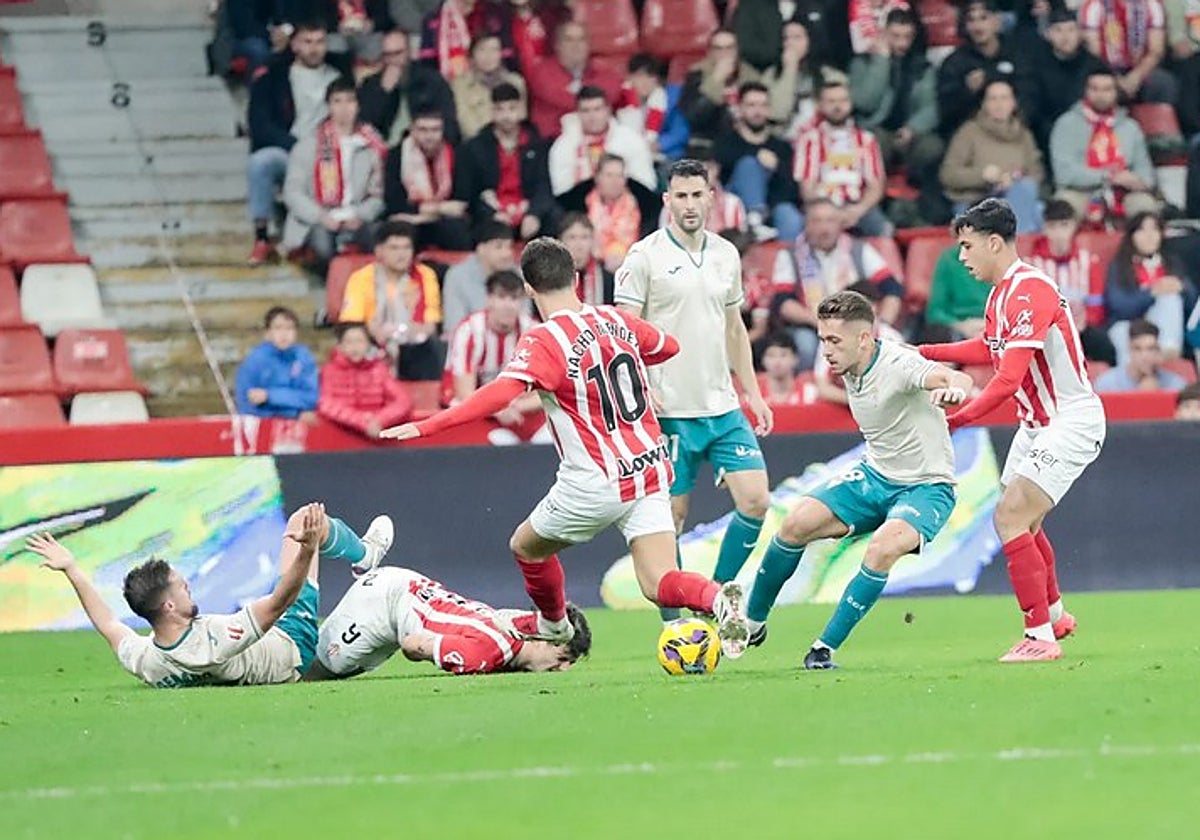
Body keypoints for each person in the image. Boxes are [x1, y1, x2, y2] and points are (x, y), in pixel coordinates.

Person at [382, 237, 751, 657]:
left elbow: (501, 393)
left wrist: (430, 424)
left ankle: (555, 625)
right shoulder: (616, 319)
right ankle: (717, 599)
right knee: (658, 581)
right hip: (648, 468)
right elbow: (668, 346)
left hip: (595, 481)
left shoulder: (545, 340)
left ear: (528, 288)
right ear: (576, 280)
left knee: (526, 546)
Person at [919, 198, 1107, 662]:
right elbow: (990, 347)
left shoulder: (1029, 291)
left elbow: (1006, 379)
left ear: (994, 242)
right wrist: (923, 352)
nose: (961, 257)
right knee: (1025, 520)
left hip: (1070, 419)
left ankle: (1039, 636)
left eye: (967, 247)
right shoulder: (1001, 294)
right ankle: (1056, 615)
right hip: (1037, 423)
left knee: (1010, 517)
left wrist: (957, 420)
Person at [745, 290, 972, 668]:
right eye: (822, 340)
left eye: (834, 341)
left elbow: (952, 377)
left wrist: (953, 392)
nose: (826, 350)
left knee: (881, 549)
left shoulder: (898, 362)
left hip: (926, 486)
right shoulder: (840, 366)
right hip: (874, 476)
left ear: (864, 339)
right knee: (795, 522)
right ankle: (751, 623)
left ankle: (823, 648)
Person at [615, 158, 774, 610]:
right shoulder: (644, 257)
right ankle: (677, 624)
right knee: (671, 520)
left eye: (696, 195)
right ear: (667, 201)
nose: (689, 205)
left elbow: (734, 328)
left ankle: (717, 595)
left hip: (722, 407)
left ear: (711, 198)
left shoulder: (726, 253)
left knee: (756, 500)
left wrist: (753, 392)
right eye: (680, 196)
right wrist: (643, 388)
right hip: (668, 412)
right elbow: (625, 332)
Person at [27, 502, 394, 688]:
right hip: (292, 647)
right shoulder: (213, 641)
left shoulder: (147, 659)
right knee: (302, 521)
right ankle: (365, 556)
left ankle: (359, 555)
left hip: (267, 645)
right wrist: (308, 549)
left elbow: (107, 623)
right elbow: (282, 600)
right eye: (180, 585)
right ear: (169, 605)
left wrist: (72, 569)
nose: (187, 585)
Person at [306, 566, 591, 678]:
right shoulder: (487, 651)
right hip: (382, 604)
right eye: (563, 657)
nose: (563, 668)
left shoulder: (515, 622)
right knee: (317, 670)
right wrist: (456, 657)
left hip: (407, 588)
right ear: (543, 640)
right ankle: (350, 552)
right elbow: (412, 645)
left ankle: (364, 558)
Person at [246, 20, 345, 264]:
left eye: (320, 42)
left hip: (330, 153)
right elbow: (260, 125)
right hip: (289, 150)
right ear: (295, 45)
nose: (314, 48)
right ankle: (261, 237)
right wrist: (296, 146)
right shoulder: (274, 78)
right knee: (261, 162)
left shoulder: (339, 78)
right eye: (307, 42)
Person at [769, 199, 905, 369]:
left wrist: (883, 322)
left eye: (830, 221)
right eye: (817, 221)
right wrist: (819, 321)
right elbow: (782, 301)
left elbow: (892, 288)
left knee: (887, 340)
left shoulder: (859, 250)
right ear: (806, 224)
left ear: (840, 224)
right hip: (812, 326)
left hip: (857, 324)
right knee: (805, 346)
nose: (824, 228)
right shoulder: (790, 255)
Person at [850, 8, 943, 222]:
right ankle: (877, 208)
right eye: (896, 36)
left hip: (908, 134)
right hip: (875, 130)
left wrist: (913, 128)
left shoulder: (922, 66)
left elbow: (931, 107)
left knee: (933, 146)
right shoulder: (862, 63)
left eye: (907, 37)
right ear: (883, 34)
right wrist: (881, 61)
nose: (902, 43)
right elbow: (866, 102)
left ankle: (919, 208)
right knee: (875, 144)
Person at [281, 76, 386, 263]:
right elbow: (293, 193)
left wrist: (360, 215)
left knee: (381, 241)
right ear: (328, 106)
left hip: (357, 218)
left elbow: (378, 194)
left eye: (350, 101)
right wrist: (320, 216)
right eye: (337, 101)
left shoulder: (372, 145)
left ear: (358, 105)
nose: (344, 108)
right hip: (318, 220)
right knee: (323, 247)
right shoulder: (308, 145)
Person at [445, 269, 545, 444]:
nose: (507, 305)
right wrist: (498, 410)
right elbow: (464, 392)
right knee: (498, 442)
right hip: (478, 411)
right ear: (489, 299)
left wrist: (518, 407)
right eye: (501, 297)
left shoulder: (533, 331)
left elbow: (548, 391)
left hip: (520, 409)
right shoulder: (469, 331)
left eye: (514, 298)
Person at [338, 220, 443, 381]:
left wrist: (408, 333)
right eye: (394, 248)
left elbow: (430, 324)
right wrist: (376, 332)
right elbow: (352, 322)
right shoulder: (362, 277)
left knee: (434, 346)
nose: (402, 254)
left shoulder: (425, 275)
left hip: (413, 344)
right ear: (379, 251)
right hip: (372, 341)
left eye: (406, 247)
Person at [1050, 66, 1158, 221]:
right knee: (1063, 207)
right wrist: (1109, 176)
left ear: (1116, 92)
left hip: (1124, 192)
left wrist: (1137, 181)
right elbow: (1064, 174)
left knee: (1145, 207)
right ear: (1085, 91)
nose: (1100, 95)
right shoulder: (1066, 124)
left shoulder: (1130, 127)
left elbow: (1145, 172)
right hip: (1079, 192)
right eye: (1094, 89)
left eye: (1107, 89)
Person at [939, 77, 1045, 234]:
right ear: (984, 104)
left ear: (1013, 103)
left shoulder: (1023, 135)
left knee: (1040, 209)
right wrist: (983, 176)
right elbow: (948, 175)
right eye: (993, 99)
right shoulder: (969, 132)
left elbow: (1036, 173)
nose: (999, 104)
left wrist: (1014, 179)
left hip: (1016, 196)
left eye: (1004, 98)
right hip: (977, 202)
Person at [454, 82, 555, 241]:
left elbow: (544, 186)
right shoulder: (474, 147)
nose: (506, 115)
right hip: (492, 213)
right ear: (492, 111)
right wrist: (492, 214)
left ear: (522, 110)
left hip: (527, 211)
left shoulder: (537, 144)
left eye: (512, 108)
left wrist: (534, 214)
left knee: (555, 219)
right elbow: (471, 194)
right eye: (500, 109)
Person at [1025, 198, 1117, 365]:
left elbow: (1096, 305)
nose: (1059, 234)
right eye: (1053, 227)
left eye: (1064, 226)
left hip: (1081, 329)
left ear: (1074, 227)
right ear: (1044, 229)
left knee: (1105, 346)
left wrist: (1083, 323)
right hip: (1045, 332)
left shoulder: (1089, 261)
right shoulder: (1031, 264)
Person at [794, 77, 890, 236]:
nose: (838, 106)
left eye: (843, 100)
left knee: (884, 230)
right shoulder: (808, 140)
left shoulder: (867, 140)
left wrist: (858, 210)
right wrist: (831, 214)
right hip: (822, 206)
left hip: (858, 207)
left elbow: (876, 186)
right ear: (820, 104)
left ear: (850, 103)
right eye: (831, 101)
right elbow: (807, 189)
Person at [712, 81, 802, 242]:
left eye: (763, 105)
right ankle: (755, 220)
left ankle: (787, 262)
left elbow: (792, 189)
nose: (758, 111)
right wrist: (756, 155)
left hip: (773, 207)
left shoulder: (782, 147)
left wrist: (776, 167)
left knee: (790, 217)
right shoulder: (726, 142)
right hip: (735, 207)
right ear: (740, 108)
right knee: (749, 165)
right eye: (751, 105)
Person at [1104, 210, 1196, 363]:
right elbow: (1118, 305)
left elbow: (1192, 305)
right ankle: (1135, 379)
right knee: (1122, 333)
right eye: (1142, 230)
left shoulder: (1172, 263)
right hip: (1129, 324)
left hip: (1162, 327)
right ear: (1131, 236)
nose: (1149, 235)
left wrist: (1182, 287)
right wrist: (1151, 292)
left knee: (1170, 297)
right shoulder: (1119, 265)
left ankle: (1167, 351)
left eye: (1154, 229)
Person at [936, 0, 1035, 140]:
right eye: (971, 20)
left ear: (997, 21)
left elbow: (1030, 94)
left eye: (984, 18)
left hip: (1014, 128)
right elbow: (946, 112)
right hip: (972, 134)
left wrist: (1016, 119)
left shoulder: (1017, 54)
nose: (978, 26)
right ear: (965, 26)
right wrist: (967, 92)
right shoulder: (954, 62)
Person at [383, 109, 472, 251]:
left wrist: (424, 211)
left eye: (435, 130)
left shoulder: (456, 154)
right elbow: (394, 203)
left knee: (457, 228)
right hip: (412, 221)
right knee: (401, 229)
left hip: (443, 222)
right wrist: (439, 208)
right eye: (423, 130)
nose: (430, 136)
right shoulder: (396, 156)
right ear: (412, 130)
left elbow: (461, 201)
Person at [356, 28, 459, 148]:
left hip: (426, 148)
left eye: (398, 53)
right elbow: (365, 127)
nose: (393, 60)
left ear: (409, 52)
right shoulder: (370, 84)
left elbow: (449, 123)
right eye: (387, 55)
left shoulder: (432, 80)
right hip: (383, 150)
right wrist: (383, 92)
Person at [547, 86, 656, 198]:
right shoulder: (563, 145)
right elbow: (561, 190)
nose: (592, 116)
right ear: (577, 113)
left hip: (628, 208)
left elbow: (646, 183)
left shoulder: (631, 140)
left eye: (597, 109)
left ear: (608, 110)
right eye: (586, 111)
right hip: (579, 208)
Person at [525, 20, 622, 140]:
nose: (575, 45)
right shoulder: (541, 71)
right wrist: (591, 97)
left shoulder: (603, 71)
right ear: (557, 45)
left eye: (581, 39)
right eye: (569, 39)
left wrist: (575, 93)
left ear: (588, 45)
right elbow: (556, 96)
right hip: (552, 140)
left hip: (600, 140)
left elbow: (613, 92)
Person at [1029, 7, 1107, 154]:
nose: (1065, 37)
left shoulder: (1094, 65)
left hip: (1091, 134)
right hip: (1049, 136)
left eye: (1071, 30)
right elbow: (1034, 110)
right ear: (1048, 34)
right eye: (1058, 30)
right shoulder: (1036, 65)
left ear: (1080, 33)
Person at [318, 322, 414, 439]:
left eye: (360, 341)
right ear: (340, 346)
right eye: (349, 342)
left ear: (368, 344)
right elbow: (326, 403)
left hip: (376, 436)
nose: (355, 347)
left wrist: (380, 419)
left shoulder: (379, 369)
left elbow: (403, 401)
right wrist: (362, 422)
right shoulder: (329, 371)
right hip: (339, 436)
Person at [679, 29, 763, 156]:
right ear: (710, 52)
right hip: (707, 144)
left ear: (737, 50)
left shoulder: (751, 76)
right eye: (718, 49)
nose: (724, 54)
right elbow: (694, 116)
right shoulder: (697, 75)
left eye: (729, 48)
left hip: (745, 143)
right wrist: (716, 79)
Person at [1079, 0, 1176, 103]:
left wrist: (1136, 77)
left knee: (1163, 82)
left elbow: (1156, 51)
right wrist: (1116, 79)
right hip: (1104, 69)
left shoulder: (1152, 4)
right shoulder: (1094, 5)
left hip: (1141, 69)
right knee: (1097, 84)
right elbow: (1094, 54)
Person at [235, 305, 319, 419]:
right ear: (268, 333)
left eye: (289, 328)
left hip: (299, 421)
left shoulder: (303, 357)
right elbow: (246, 402)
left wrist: (270, 396)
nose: (284, 334)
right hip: (264, 423)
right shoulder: (255, 360)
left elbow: (312, 397)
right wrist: (290, 413)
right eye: (278, 328)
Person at [440, 219, 517, 339]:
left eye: (509, 247)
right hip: (470, 343)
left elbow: (523, 321)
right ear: (481, 249)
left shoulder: (518, 274)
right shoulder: (458, 276)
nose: (507, 254)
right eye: (499, 247)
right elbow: (454, 327)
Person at [450, 32, 527, 141]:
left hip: (511, 144)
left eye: (494, 50)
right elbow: (466, 124)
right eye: (482, 50)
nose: (488, 56)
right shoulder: (459, 85)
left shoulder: (516, 82)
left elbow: (521, 118)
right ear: (472, 54)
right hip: (475, 146)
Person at [417, 0, 512, 83]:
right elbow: (428, 67)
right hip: (447, 90)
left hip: (494, 87)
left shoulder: (494, 15)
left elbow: (508, 59)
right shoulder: (434, 19)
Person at [1094, 318, 1189, 391]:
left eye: (1151, 349)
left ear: (1158, 351)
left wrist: (1157, 395)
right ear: (1129, 350)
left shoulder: (1175, 385)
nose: (1145, 356)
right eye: (1137, 349)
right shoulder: (1106, 384)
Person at [586, 155, 642, 273]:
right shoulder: (582, 205)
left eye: (619, 175)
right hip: (591, 266)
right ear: (597, 177)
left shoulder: (641, 206)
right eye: (609, 175)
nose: (615, 181)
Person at [560, 212, 613, 306]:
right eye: (572, 237)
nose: (579, 244)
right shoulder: (551, 278)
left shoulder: (608, 280)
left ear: (593, 241)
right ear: (561, 241)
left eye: (584, 237)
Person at [756, 332, 807, 406]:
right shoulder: (752, 394)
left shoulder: (808, 394)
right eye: (771, 355)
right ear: (763, 360)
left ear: (795, 359)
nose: (777, 362)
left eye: (783, 355)